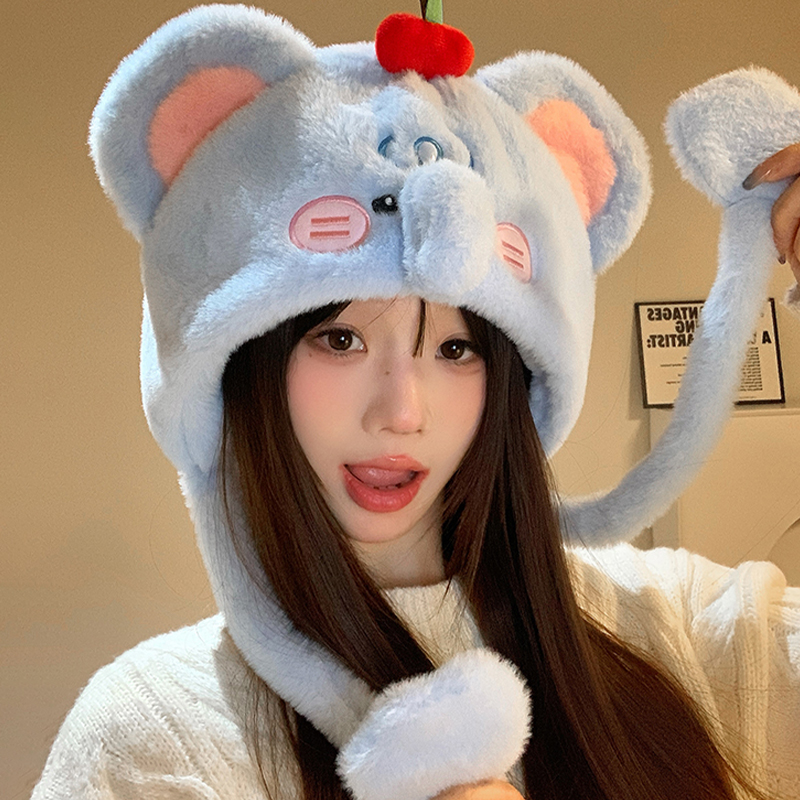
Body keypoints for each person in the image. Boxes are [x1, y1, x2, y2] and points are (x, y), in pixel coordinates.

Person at [30, 6, 800, 800]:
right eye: (339, 340)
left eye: (456, 350)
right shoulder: (152, 739)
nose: (401, 412)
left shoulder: (681, 627)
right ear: (246, 364)